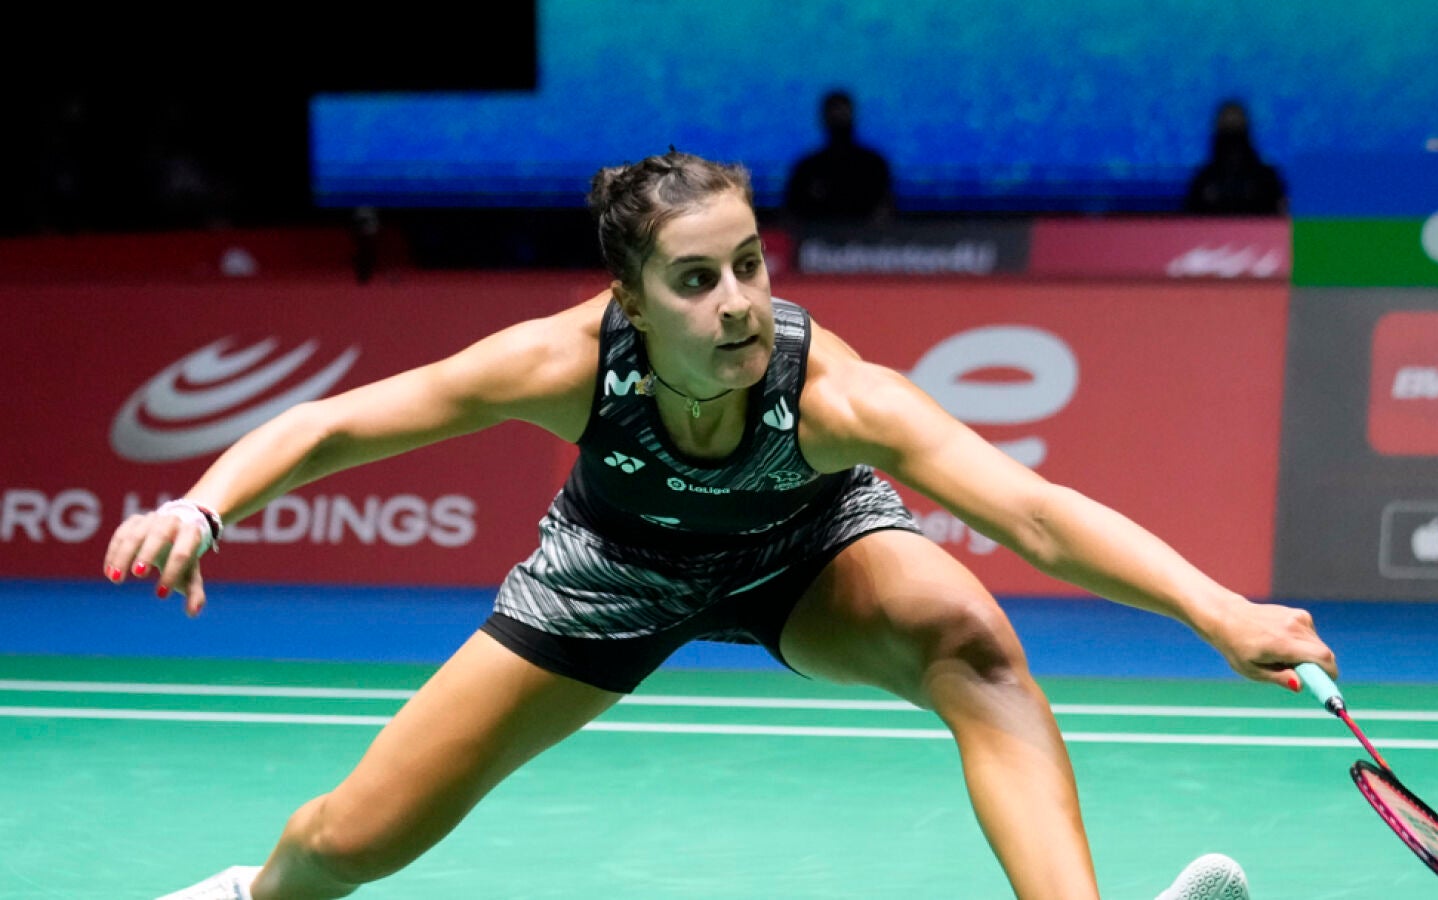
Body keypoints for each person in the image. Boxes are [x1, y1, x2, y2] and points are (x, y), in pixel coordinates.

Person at [106, 150, 1335, 900]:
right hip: (613, 571)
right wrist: (206, 504)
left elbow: (1031, 511)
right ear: (632, 299)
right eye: (697, 280)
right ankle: (250, 896)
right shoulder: (564, 363)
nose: (739, 302)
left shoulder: (833, 394)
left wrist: (1214, 611)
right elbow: (334, 425)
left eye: (749, 264)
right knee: (352, 840)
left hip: (805, 546)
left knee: (972, 644)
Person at [783, 89, 895, 222]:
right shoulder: (807, 168)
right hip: (817, 234)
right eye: (835, 116)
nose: (839, 121)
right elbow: (791, 215)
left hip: (863, 235)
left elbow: (885, 212)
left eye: (843, 115)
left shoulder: (874, 165)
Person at [1183, 99, 1287, 216]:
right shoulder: (1202, 181)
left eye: (1236, 129)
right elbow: (1190, 219)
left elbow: (1279, 216)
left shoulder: (1267, 180)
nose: (1232, 142)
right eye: (1227, 129)